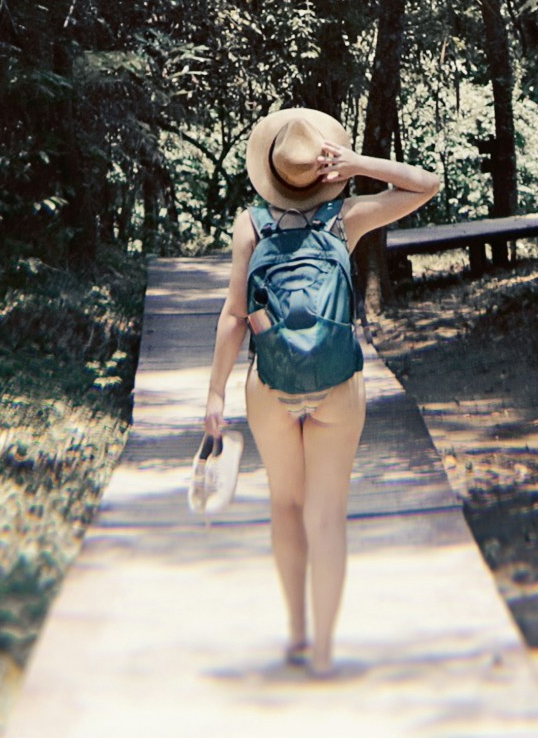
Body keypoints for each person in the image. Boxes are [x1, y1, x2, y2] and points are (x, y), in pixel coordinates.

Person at [202, 106, 440, 679]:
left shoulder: (250, 225)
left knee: (286, 505)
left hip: (270, 385)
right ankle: (326, 651)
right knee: (327, 515)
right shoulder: (346, 219)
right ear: (324, 169)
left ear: (273, 171)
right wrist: (358, 165)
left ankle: (297, 634)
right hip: (338, 384)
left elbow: (235, 315)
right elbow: (427, 184)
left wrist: (215, 395)